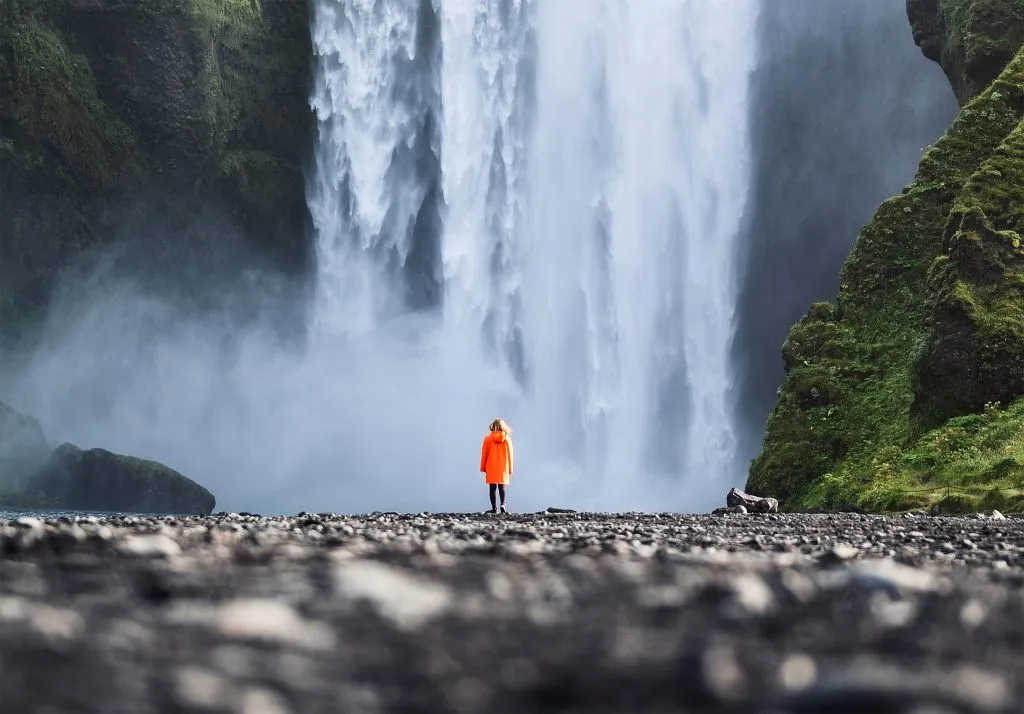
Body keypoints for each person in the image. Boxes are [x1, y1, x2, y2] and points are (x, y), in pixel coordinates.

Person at [480, 417, 514, 514]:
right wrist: (510, 469)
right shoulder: (507, 439)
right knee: (502, 487)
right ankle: (503, 504)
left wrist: (483, 467)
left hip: (491, 466)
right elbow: (510, 455)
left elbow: (484, 454)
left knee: (492, 488)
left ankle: (494, 509)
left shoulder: (487, 439)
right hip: (503, 467)